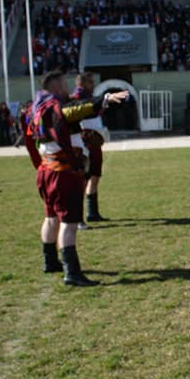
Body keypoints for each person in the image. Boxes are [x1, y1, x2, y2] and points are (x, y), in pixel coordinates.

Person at [30, 71, 128, 285]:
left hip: (46, 170)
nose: (68, 89)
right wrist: (104, 100)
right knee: (69, 222)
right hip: (61, 173)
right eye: (64, 84)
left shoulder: (38, 107)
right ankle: (72, 272)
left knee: (51, 218)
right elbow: (76, 109)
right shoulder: (57, 108)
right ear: (56, 88)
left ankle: (50, 262)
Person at [70, 73, 111, 223]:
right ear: (82, 83)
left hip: (94, 142)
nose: (93, 84)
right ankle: (78, 217)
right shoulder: (77, 98)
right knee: (84, 180)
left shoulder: (89, 97)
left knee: (94, 176)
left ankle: (92, 213)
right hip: (86, 143)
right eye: (90, 82)